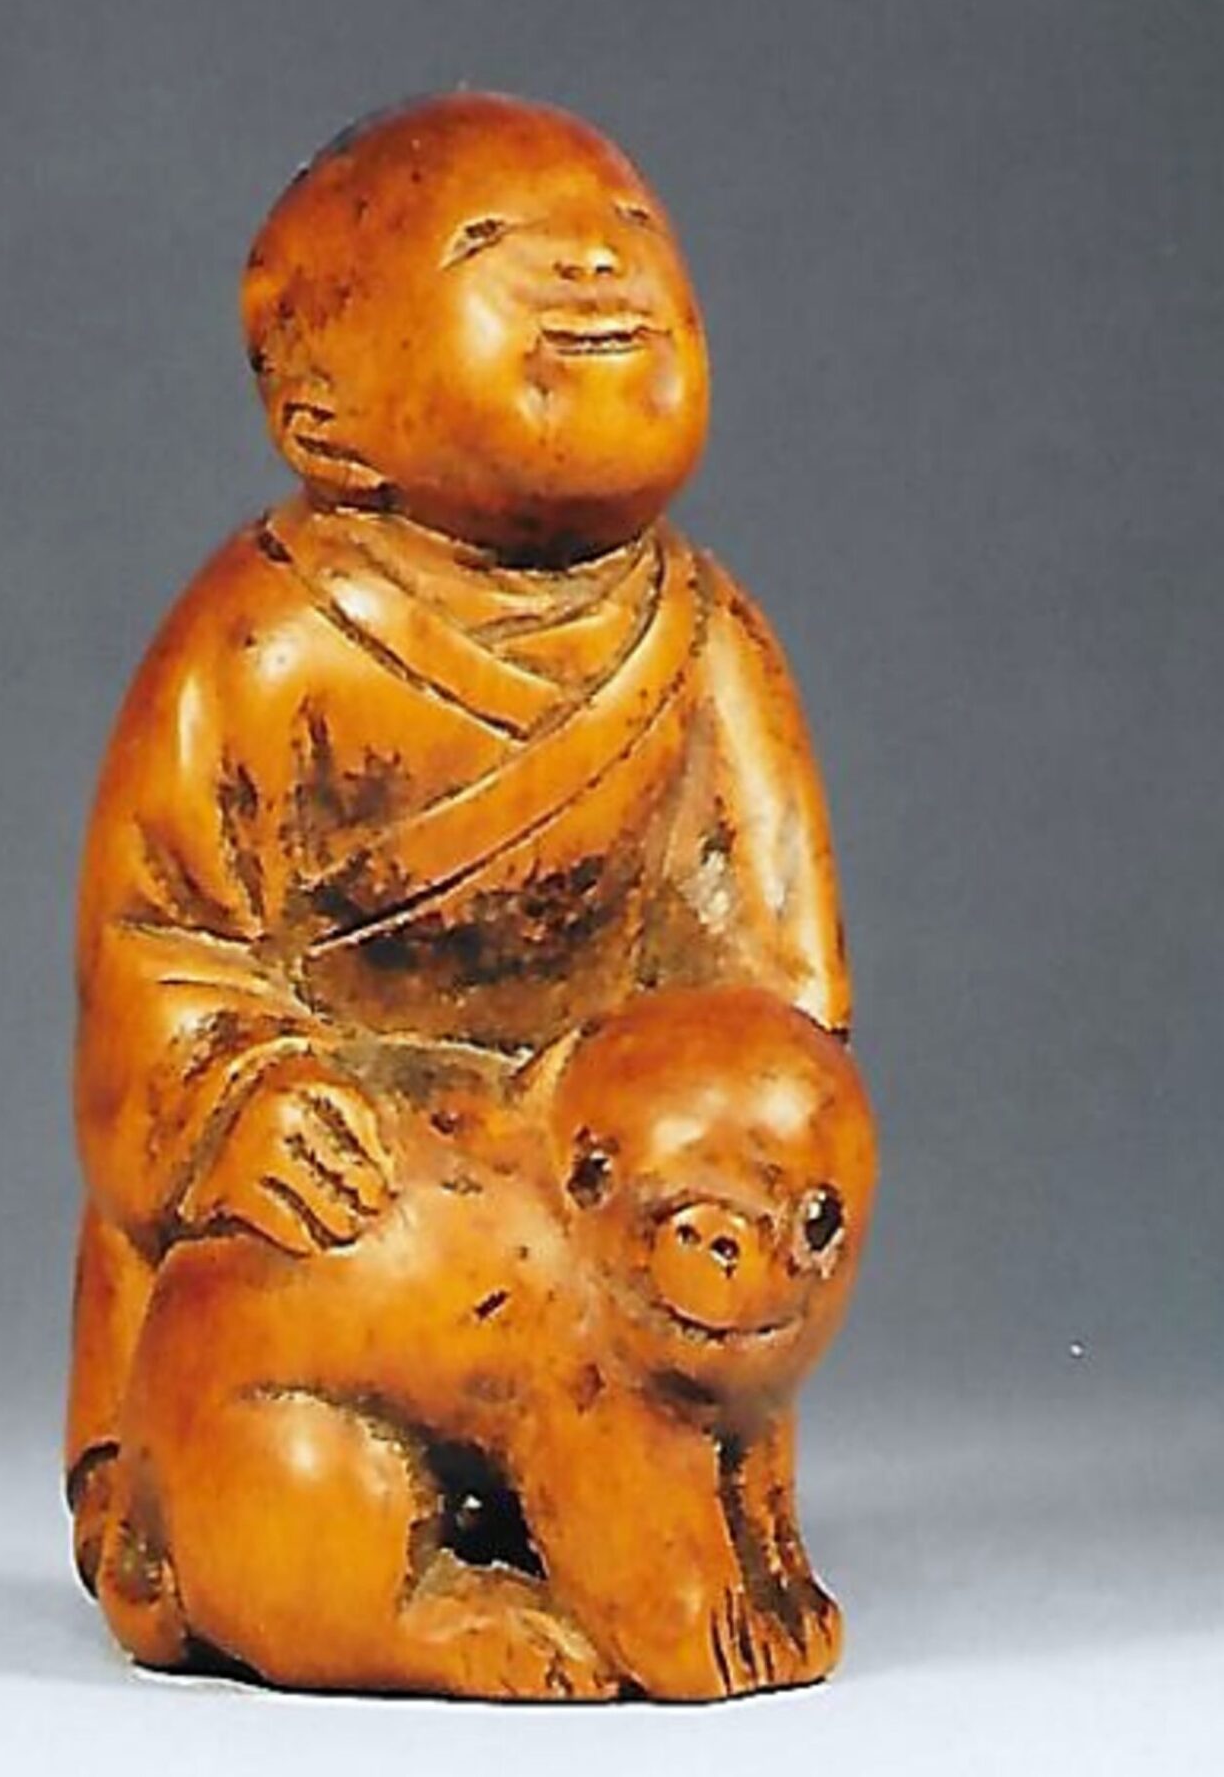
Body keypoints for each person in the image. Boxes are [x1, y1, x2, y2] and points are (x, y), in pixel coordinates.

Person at [63, 93, 853, 1602]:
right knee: (287, 1350)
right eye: (496, 242)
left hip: (609, 1229)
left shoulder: (708, 647)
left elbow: (783, 1004)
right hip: (344, 1235)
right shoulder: (266, 647)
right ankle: (249, 1541)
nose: (598, 269)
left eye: (631, 232)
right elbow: (154, 948)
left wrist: (714, 1137)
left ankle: (657, 1535)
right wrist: (242, 1102)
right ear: (322, 408)